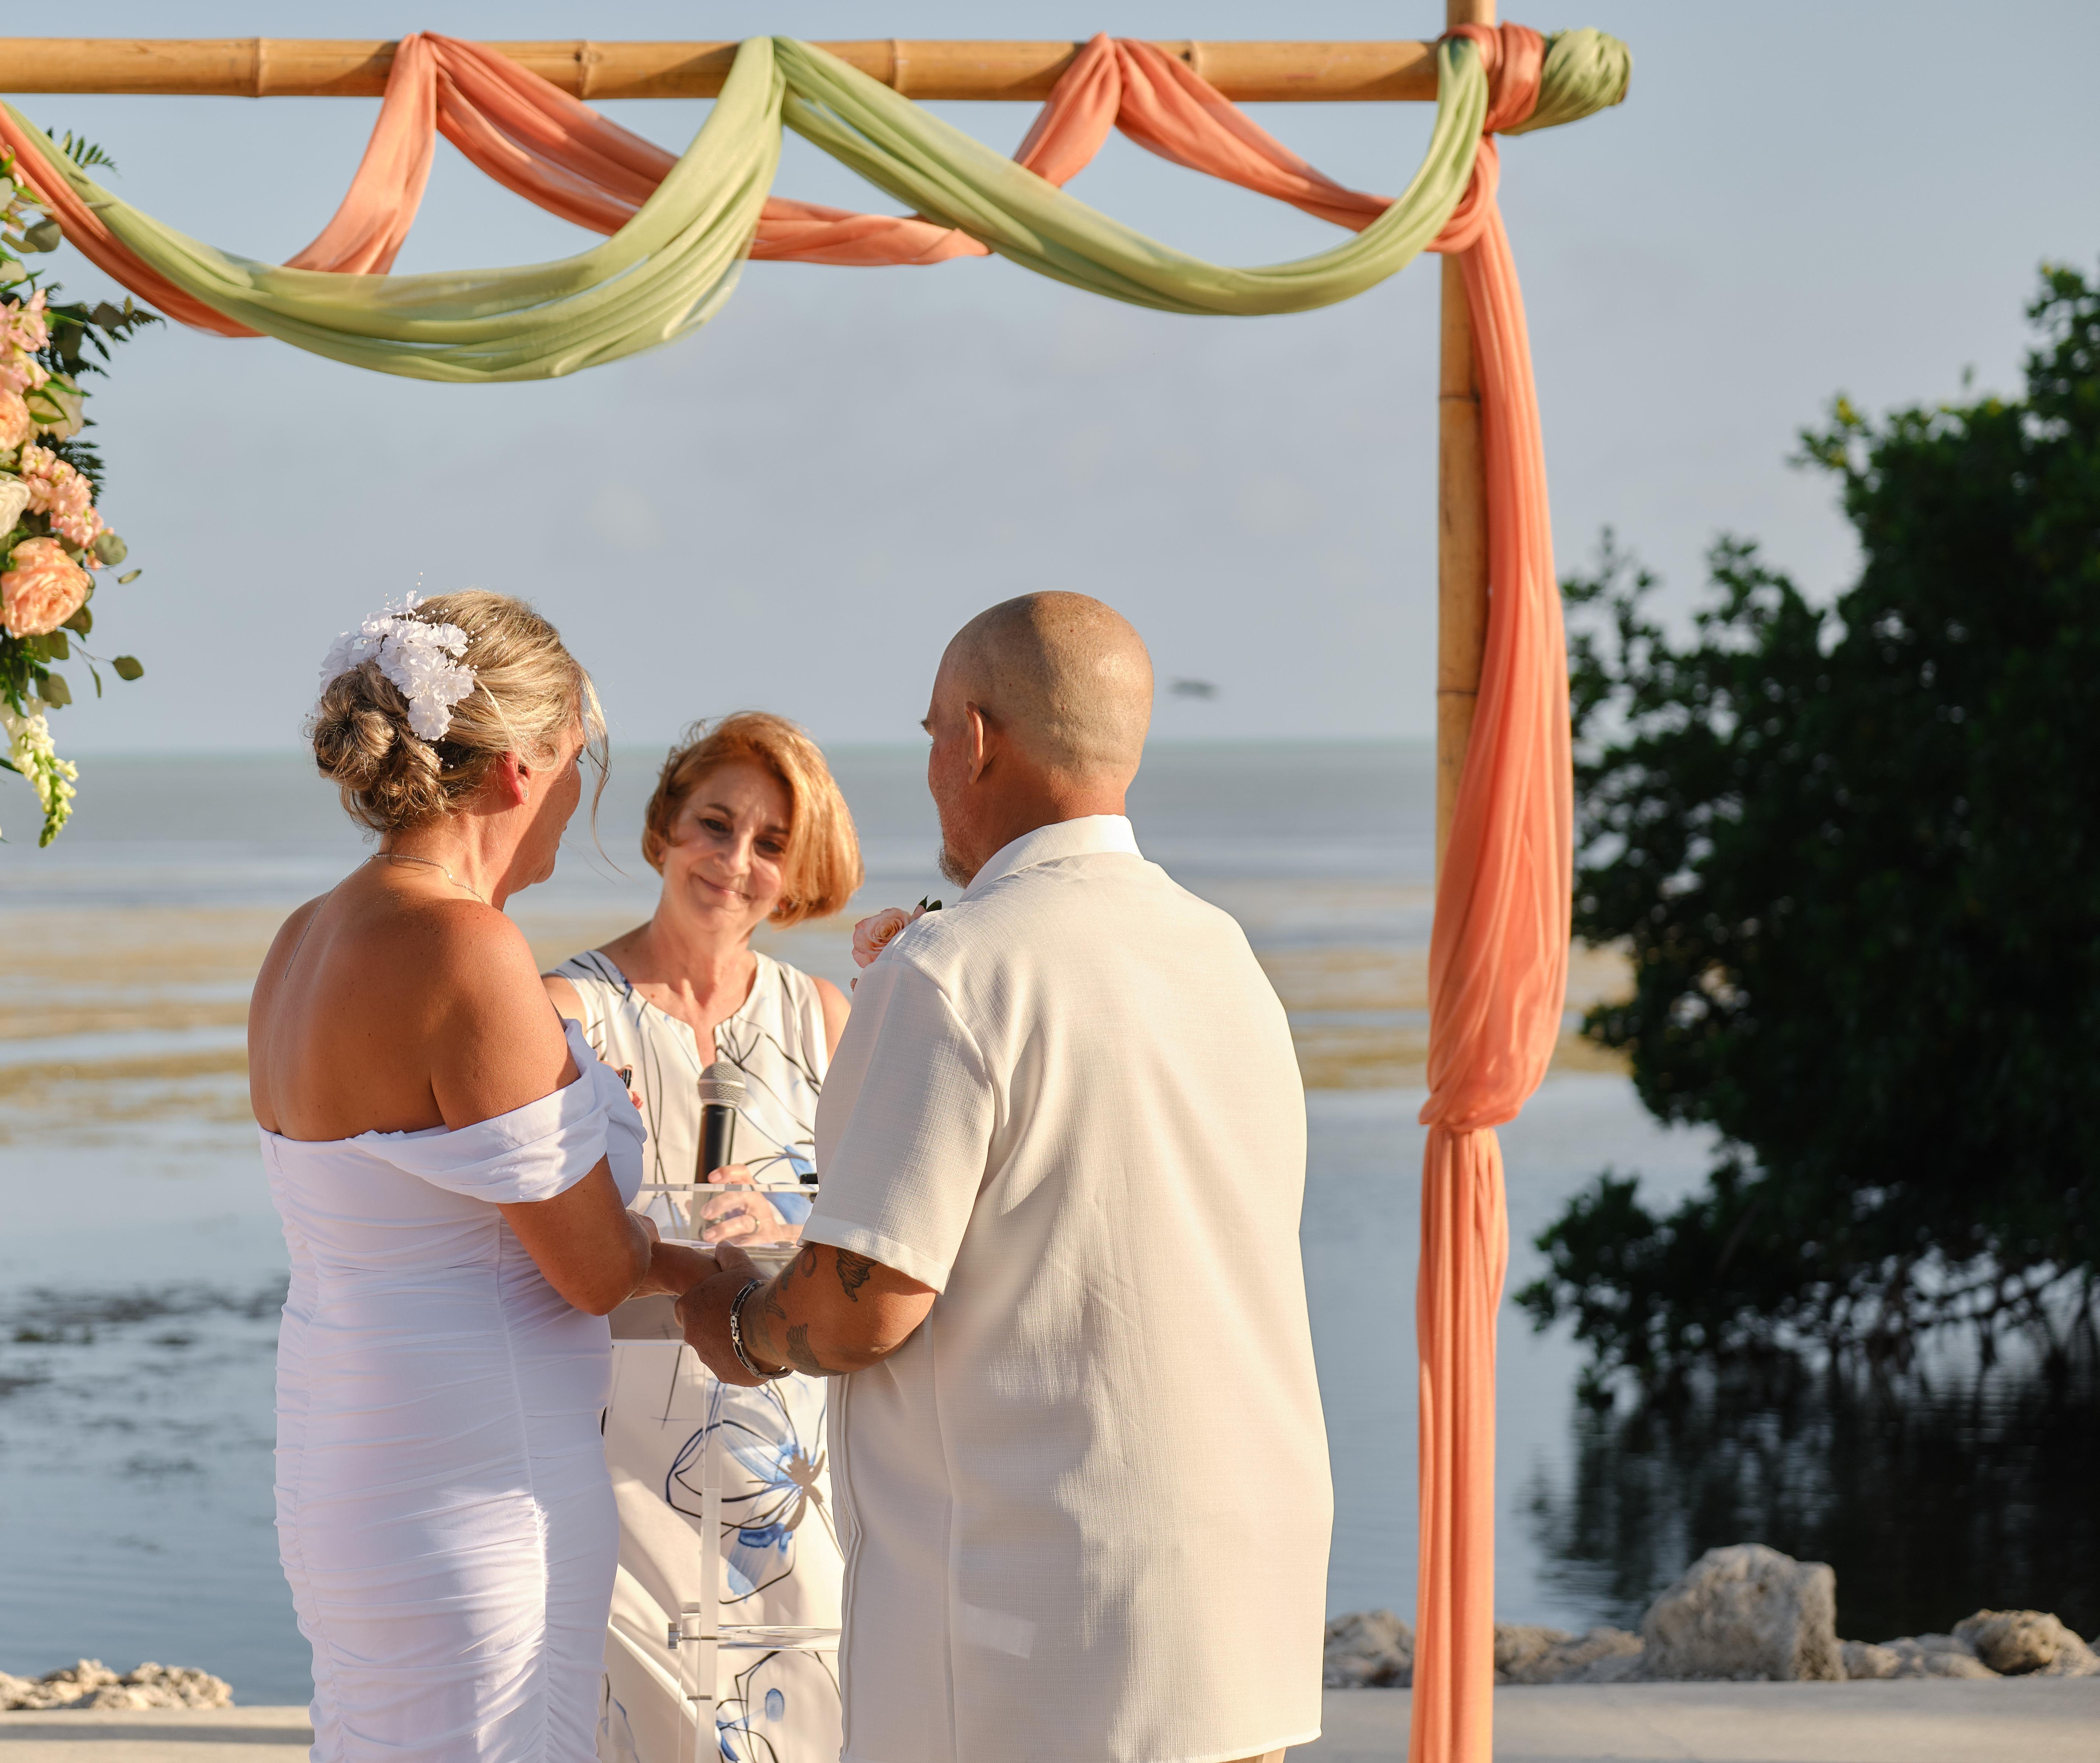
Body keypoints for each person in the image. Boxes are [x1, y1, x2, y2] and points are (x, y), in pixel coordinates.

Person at [677, 593, 1332, 1763]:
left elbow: (863, 1306)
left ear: (975, 738)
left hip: (1042, 1628)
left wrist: (737, 1315)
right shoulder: (1223, 954)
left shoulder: (956, 966)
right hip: (1242, 1601)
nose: (930, 760)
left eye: (933, 730)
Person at [249, 590, 719, 1763]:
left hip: (342, 1455)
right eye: (577, 760)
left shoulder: (301, 940)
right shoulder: (468, 948)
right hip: (476, 1472)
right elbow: (592, 1270)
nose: (576, 792)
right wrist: (694, 1264)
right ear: (519, 768)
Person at [539, 714, 860, 1763]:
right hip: (619, 1457)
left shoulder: (825, 1019)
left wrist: (789, 1233)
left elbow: (874, 1241)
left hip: (787, 1457)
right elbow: (528, 1246)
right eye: (715, 825)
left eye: (771, 843)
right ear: (663, 829)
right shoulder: (564, 1013)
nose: (735, 861)